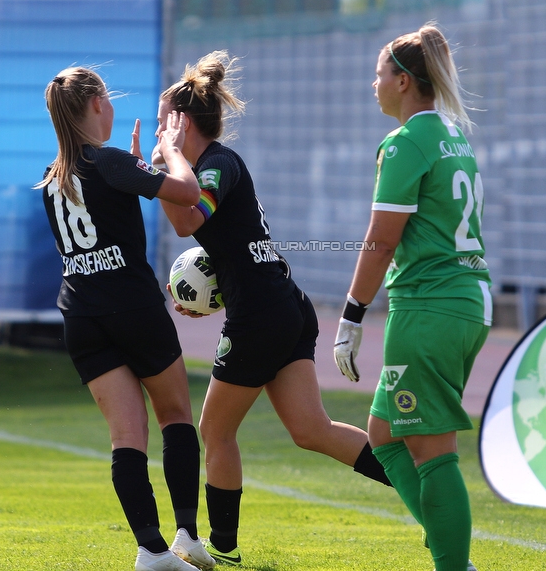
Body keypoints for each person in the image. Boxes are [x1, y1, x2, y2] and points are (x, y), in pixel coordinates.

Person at [145, 51, 391, 567]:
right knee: (311, 431)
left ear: (180, 123)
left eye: (163, 119)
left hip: (261, 316)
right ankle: (416, 478)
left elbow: (189, 220)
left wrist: (161, 163)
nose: (158, 130)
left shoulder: (217, 165)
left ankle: (223, 551)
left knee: (214, 432)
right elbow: (191, 224)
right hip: (280, 305)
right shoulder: (206, 168)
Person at [37, 66, 217, 571]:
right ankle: (185, 536)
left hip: (82, 317)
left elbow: (106, 214)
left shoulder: (54, 178)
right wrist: (171, 154)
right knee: (176, 415)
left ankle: (150, 551)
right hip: (133, 309)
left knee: (126, 436)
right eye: (109, 99)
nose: (113, 108)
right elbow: (186, 194)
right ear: (96, 103)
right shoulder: (108, 161)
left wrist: (138, 171)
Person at [333, 23, 492, 571]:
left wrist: (352, 314)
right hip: (464, 301)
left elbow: (381, 241)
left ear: (403, 81)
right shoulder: (452, 135)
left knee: (431, 448)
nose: (372, 83)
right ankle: (450, 546)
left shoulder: (405, 143)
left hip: (429, 306)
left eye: (379, 74)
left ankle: (454, 563)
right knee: (383, 436)